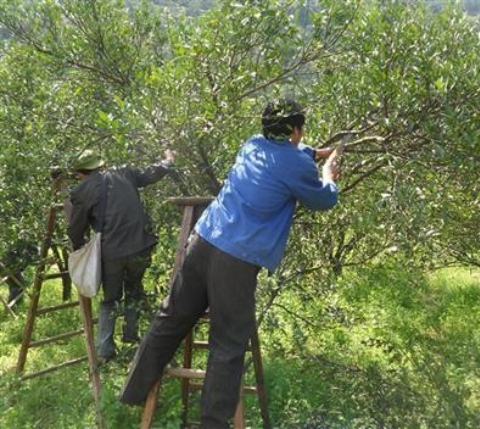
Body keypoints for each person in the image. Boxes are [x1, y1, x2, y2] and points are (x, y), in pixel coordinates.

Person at [120, 98, 341, 427]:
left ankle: (132, 392)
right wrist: (328, 172)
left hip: (204, 239)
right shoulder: (295, 164)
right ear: (296, 130)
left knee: (170, 317)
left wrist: (309, 152)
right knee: (228, 343)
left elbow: (283, 156)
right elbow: (324, 199)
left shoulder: (252, 144)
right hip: (236, 259)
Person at [68, 148, 175, 362]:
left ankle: (105, 350)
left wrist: (80, 250)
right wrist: (168, 160)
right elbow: (152, 173)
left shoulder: (81, 190)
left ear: (81, 172)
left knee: (110, 299)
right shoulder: (124, 173)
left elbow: (75, 230)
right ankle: (131, 336)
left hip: (111, 252)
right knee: (134, 290)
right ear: (101, 165)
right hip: (140, 246)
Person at [1, 240, 38, 306]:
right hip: (8, 270)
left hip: (12, 271)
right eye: (31, 253)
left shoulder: (25, 254)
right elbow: (10, 265)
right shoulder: (15, 252)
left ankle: (15, 305)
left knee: (17, 287)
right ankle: (12, 305)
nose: (31, 254)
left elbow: (33, 261)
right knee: (19, 285)